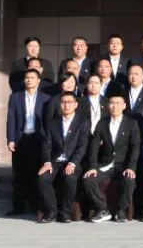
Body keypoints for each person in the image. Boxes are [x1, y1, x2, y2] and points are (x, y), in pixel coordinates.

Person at [82, 94, 141, 223]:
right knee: (88, 179)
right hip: (106, 164)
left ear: (124, 106)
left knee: (129, 180)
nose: (114, 106)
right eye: (112, 103)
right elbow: (94, 147)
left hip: (123, 165)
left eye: (118, 103)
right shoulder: (102, 123)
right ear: (108, 105)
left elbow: (135, 147)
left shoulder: (131, 123)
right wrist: (93, 167)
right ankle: (103, 209)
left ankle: (122, 210)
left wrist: (131, 167)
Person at [36, 91, 90, 223]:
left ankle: (65, 212)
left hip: (73, 162)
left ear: (76, 105)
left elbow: (82, 146)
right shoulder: (53, 122)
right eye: (63, 102)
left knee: (70, 179)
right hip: (55, 162)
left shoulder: (83, 122)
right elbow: (47, 145)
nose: (66, 105)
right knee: (43, 178)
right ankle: (52, 211)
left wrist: (73, 163)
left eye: (69, 102)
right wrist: (47, 162)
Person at [6, 69, 51, 216]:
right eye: (27, 77)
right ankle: (18, 207)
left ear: (38, 81)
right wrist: (11, 139)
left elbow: (48, 121)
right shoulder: (15, 97)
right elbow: (11, 118)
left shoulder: (46, 98)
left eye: (32, 77)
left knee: (35, 173)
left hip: (38, 139)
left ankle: (34, 205)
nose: (29, 80)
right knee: (19, 174)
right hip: (21, 139)